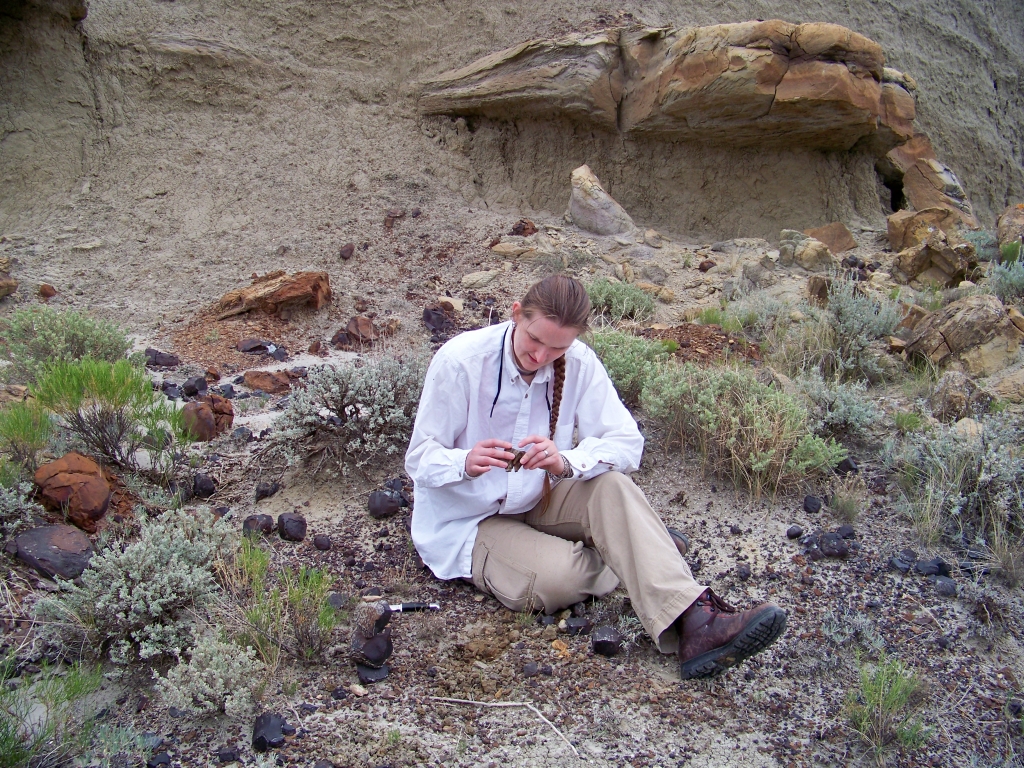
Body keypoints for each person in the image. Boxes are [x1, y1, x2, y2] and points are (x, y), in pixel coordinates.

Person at [405, 275, 786, 679]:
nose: (541, 355)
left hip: (538, 496)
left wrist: (565, 462)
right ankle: (642, 550)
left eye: (558, 347)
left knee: (614, 486)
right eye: (535, 339)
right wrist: (464, 460)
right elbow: (420, 459)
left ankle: (698, 625)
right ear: (517, 313)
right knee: (558, 580)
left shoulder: (579, 361)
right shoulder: (460, 361)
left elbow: (626, 443)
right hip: (470, 521)